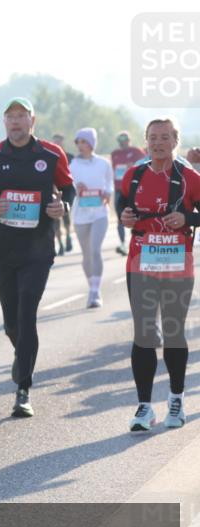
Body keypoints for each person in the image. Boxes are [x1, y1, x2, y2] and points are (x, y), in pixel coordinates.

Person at [0, 97, 74, 418]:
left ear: (32, 121)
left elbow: (68, 189)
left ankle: (23, 389)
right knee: (12, 323)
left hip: (38, 250)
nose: (16, 122)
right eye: (10, 117)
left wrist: (62, 206)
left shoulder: (52, 155)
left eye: (21, 116)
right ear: (5, 123)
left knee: (28, 313)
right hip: (4, 251)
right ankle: (22, 355)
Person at [119, 119, 200, 432]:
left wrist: (188, 217)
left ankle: (176, 398)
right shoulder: (134, 175)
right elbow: (124, 208)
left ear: (175, 141)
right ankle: (144, 406)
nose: (158, 143)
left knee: (173, 331)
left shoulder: (190, 178)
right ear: (146, 142)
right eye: (153, 138)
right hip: (140, 264)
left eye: (165, 137)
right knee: (143, 333)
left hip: (177, 264)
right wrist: (125, 216)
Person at [68, 127, 113, 308]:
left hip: (100, 213)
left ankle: (95, 292)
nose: (80, 145)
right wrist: (75, 187)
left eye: (84, 142)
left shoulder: (103, 163)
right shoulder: (72, 165)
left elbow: (110, 183)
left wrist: (107, 193)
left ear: (92, 143)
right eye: (78, 142)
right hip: (81, 214)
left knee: (95, 249)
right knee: (86, 254)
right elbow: (66, 185)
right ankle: (91, 286)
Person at [111, 131, 147, 256]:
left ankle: (140, 242)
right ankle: (122, 244)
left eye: (125, 141)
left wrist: (134, 166)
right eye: (120, 141)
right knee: (120, 217)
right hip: (119, 190)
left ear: (129, 140)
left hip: (134, 190)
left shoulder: (137, 151)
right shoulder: (114, 154)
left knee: (136, 217)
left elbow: (148, 165)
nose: (123, 144)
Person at [51, 133, 75, 256]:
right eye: (55, 142)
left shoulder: (70, 157)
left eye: (59, 142)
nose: (57, 144)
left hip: (64, 190)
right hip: (52, 191)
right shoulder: (49, 156)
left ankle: (68, 236)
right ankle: (60, 244)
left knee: (66, 217)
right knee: (55, 221)